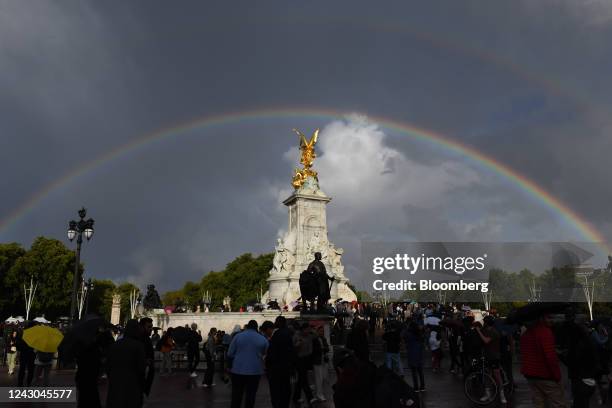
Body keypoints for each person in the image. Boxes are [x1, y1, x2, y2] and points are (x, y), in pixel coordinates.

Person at [520, 315, 568, 408]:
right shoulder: (545, 332)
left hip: (531, 375)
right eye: (549, 318)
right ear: (541, 319)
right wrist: (557, 376)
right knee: (558, 404)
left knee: (539, 404)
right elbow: (550, 357)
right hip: (546, 376)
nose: (552, 320)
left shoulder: (526, 333)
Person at [227, 320, 268, 408]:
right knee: (251, 395)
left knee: (236, 395)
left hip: (238, 370)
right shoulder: (262, 338)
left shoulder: (238, 336)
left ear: (247, 326)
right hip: (255, 371)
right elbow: (266, 353)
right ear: (256, 328)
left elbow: (230, 353)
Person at [106, 319, 146, 408]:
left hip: (116, 383)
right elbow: (141, 368)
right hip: (132, 385)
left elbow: (108, 365)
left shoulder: (116, 344)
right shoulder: (138, 346)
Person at [266, 316, 295, 408]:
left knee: (276, 389)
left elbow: (272, 352)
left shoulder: (277, 334)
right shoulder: (288, 334)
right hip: (286, 366)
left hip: (276, 367)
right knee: (285, 388)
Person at [476, 315, 506, 404]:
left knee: (497, 375)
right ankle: (488, 394)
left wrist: (478, 331)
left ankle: (502, 395)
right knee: (487, 375)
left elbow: (486, 340)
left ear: (486, 323)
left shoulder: (494, 332)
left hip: (494, 356)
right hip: (487, 356)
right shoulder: (486, 330)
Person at [293, 322, 316, 405]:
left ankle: (296, 397)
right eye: (307, 329)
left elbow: (316, 335)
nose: (308, 331)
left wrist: (312, 331)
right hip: (299, 359)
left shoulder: (309, 336)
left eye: (309, 329)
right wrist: (298, 345)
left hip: (307, 359)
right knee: (304, 379)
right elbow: (294, 348)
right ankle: (310, 397)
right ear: (303, 329)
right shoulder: (297, 336)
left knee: (300, 380)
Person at [402, 321, 425, 392]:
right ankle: (422, 386)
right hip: (419, 354)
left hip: (412, 354)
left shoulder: (409, 334)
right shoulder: (419, 334)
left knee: (414, 372)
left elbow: (403, 335)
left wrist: (406, 328)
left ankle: (416, 387)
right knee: (420, 372)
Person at [312, 325, 330, 401]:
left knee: (323, 378)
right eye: (320, 331)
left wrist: (323, 349)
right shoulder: (314, 340)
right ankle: (319, 395)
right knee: (319, 378)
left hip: (323, 360)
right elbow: (314, 350)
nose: (322, 332)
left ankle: (318, 392)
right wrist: (322, 349)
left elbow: (327, 348)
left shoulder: (323, 339)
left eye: (323, 331)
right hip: (317, 361)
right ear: (317, 331)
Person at [138, 317, 155, 396]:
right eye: (149, 327)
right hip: (140, 377)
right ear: (142, 327)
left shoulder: (146, 339)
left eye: (151, 326)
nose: (151, 329)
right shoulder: (140, 340)